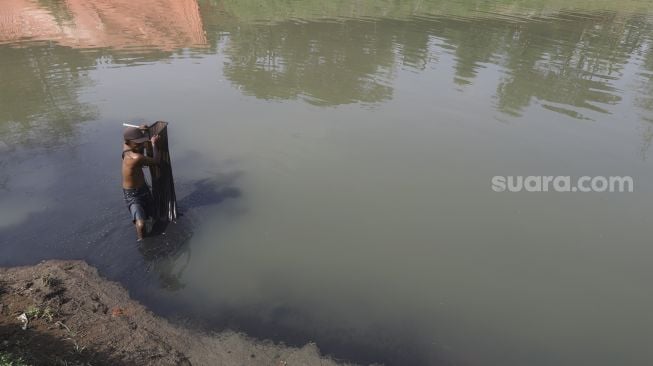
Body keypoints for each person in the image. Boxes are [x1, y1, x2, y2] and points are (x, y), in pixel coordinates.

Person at [122, 125, 161, 241]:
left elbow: (129, 137)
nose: (140, 145)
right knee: (141, 224)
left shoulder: (125, 146)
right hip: (132, 195)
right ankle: (142, 242)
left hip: (143, 188)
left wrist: (140, 129)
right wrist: (154, 144)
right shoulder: (136, 158)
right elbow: (156, 161)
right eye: (137, 143)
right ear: (129, 142)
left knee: (153, 214)